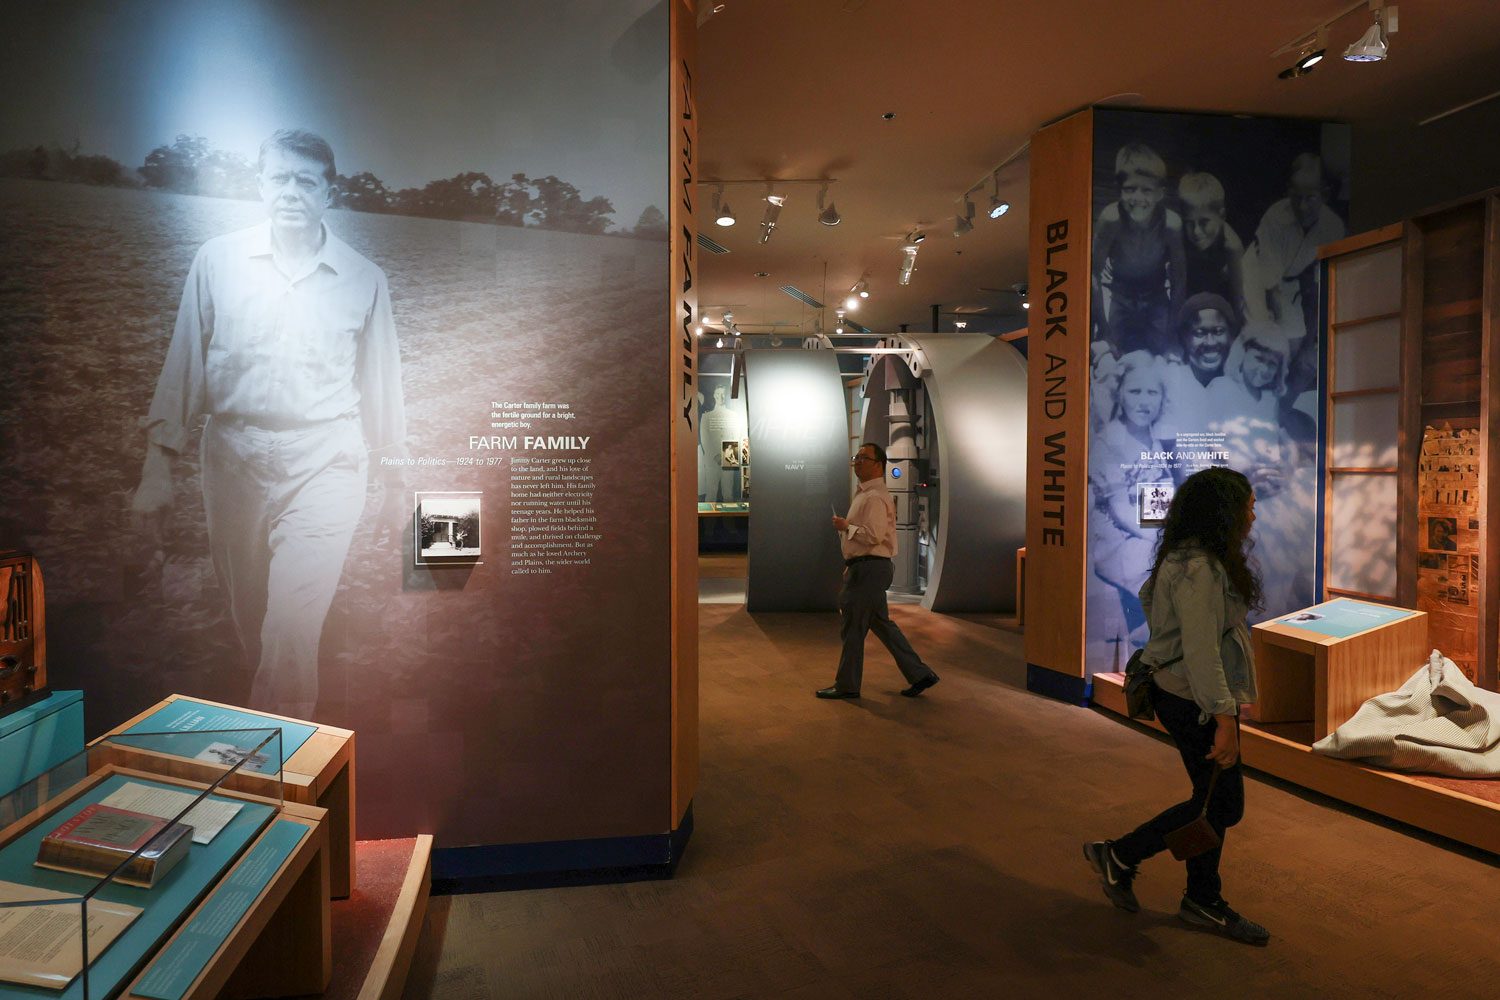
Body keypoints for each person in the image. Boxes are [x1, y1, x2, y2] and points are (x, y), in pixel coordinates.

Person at [131, 128, 407, 717]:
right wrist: (158, 469)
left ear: (328, 193)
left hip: (326, 460)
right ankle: (270, 715)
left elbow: (384, 389)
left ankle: (275, 771)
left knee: (289, 626)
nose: (290, 192)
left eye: (306, 181)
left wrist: (396, 483)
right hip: (231, 459)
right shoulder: (217, 260)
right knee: (252, 617)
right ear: (260, 184)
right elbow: (183, 365)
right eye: (278, 177)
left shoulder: (364, 279)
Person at [1084, 467, 1269, 946]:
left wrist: (1167, 638)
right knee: (1220, 803)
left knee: (1216, 802)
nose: (1253, 512)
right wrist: (1225, 719)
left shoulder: (1187, 558)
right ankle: (1123, 855)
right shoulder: (1200, 569)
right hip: (1195, 700)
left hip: (1186, 693)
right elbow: (1204, 651)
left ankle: (1197, 897)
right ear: (1224, 511)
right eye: (1248, 504)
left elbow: (1150, 600)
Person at [817, 442, 940, 700]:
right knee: (882, 625)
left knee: (852, 628)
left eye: (863, 457)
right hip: (868, 568)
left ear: (878, 464)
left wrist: (845, 526)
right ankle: (919, 674)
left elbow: (872, 536)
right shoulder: (865, 494)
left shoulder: (873, 497)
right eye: (856, 457)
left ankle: (847, 685)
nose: (857, 461)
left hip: (869, 569)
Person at [1090, 143, 1186, 358]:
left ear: (1160, 193)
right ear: (1120, 190)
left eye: (1147, 190)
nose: (1138, 197)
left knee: (1167, 354)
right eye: (1130, 189)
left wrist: (1173, 329)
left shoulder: (1171, 224)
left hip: (1156, 294)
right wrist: (1103, 327)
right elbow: (1093, 274)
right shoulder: (1111, 219)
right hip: (1118, 292)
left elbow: (1179, 278)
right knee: (1108, 352)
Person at [1157, 293, 1240, 454]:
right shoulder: (1169, 384)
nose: (1210, 343)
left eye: (1218, 331)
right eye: (1199, 333)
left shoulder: (1245, 383)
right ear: (1183, 337)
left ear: (1231, 335)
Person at [1177, 173, 1245, 321]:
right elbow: (1179, 290)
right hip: (1190, 296)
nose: (1196, 231)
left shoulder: (1231, 247)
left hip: (1222, 300)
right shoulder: (1180, 239)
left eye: (1204, 222)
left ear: (1222, 215)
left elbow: (1238, 299)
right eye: (1189, 222)